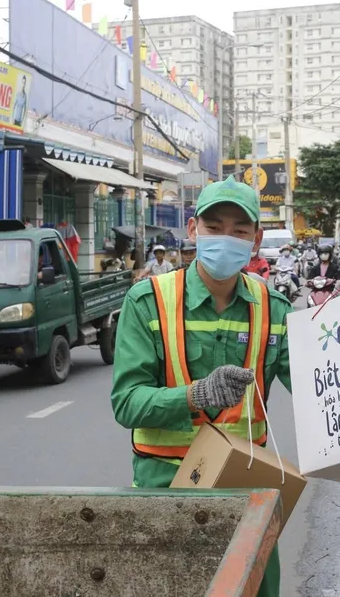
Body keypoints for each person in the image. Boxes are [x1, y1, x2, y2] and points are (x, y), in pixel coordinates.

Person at [111, 175, 293, 597]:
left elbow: (319, 391)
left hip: (246, 489)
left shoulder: (274, 309)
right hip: (167, 487)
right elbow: (126, 403)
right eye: (214, 228)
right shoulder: (148, 300)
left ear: (256, 240)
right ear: (193, 230)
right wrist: (195, 395)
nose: (225, 239)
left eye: (239, 231)